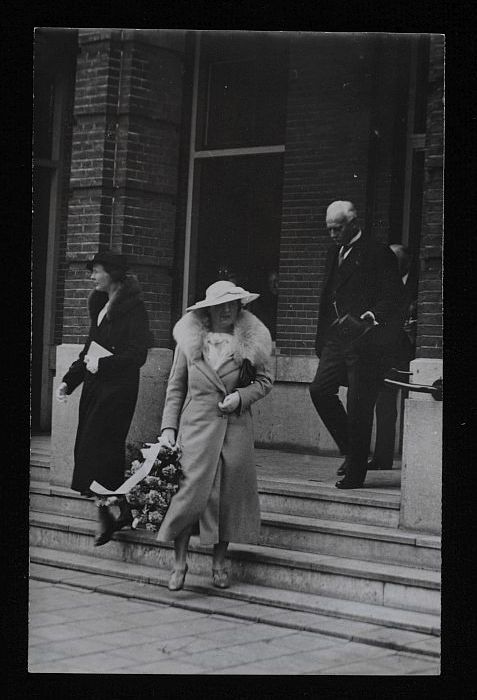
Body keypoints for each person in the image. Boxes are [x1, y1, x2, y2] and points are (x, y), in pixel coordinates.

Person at [156, 280, 274, 591]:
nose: (227, 310)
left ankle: (219, 563)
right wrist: (168, 429)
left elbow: (265, 381)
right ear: (207, 310)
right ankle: (179, 563)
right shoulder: (189, 340)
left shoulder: (253, 341)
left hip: (234, 430)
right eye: (220, 305)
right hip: (195, 429)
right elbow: (176, 387)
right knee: (187, 496)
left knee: (228, 499)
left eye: (233, 304)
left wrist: (241, 397)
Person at [56, 250, 151, 545]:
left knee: (99, 450)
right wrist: (69, 381)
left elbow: (137, 354)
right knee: (93, 451)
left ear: (112, 273)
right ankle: (120, 509)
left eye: (96, 271)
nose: (92, 276)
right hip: (96, 388)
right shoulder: (99, 305)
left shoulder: (135, 309)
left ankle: (106, 515)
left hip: (118, 391)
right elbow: (89, 349)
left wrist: (105, 364)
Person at [309, 201, 404, 489]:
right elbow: (329, 295)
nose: (333, 234)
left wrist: (371, 317)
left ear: (353, 224)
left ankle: (355, 472)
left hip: (365, 341)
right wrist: (323, 336)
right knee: (319, 390)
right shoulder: (333, 253)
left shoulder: (378, 252)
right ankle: (353, 451)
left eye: (338, 228)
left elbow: (393, 296)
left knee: (359, 404)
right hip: (336, 339)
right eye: (329, 229)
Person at [367, 244, 417, 470]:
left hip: (413, 351)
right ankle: (383, 457)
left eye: (395, 261)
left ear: (407, 262)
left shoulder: (420, 285)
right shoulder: (382, 283)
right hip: (388, 353)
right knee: (385, 403)